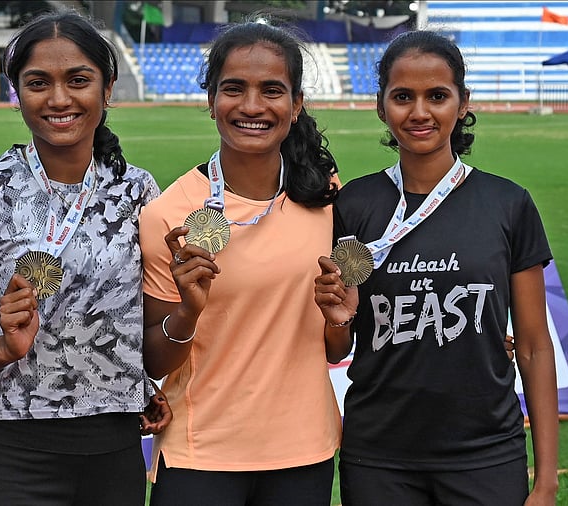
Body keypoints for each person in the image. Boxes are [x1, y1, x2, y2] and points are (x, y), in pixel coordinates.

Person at [314, 30, 559, 505]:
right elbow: (337, 340)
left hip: (486, 453)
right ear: (381, 106)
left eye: (438, 96)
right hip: (379, 457)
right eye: (403, 96)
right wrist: (339, 321)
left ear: (463, 103)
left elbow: (531, 346)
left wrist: (546, 480)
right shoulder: (355, 206)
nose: (420, 112)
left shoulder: (507, 204)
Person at [0, 11, 169, 505]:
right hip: (10, 453)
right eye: (38, 83)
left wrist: (137, 380)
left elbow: (144, 324)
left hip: (115, 450)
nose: (59, 99)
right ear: (16, 94)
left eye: (78, 80)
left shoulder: (139, 192)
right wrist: (3, 348)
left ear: (107, 91)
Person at [139, 20, 343, 505]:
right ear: (210, 100)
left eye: (271, 90)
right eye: (234, 89)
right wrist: (187, 312)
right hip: (201, 455)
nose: (252, 106)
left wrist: (340, 318)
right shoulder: (168, 214)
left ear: (295, 106)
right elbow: (154, 359)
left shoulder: (326, 200)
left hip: (304, 450)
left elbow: (336, 349)